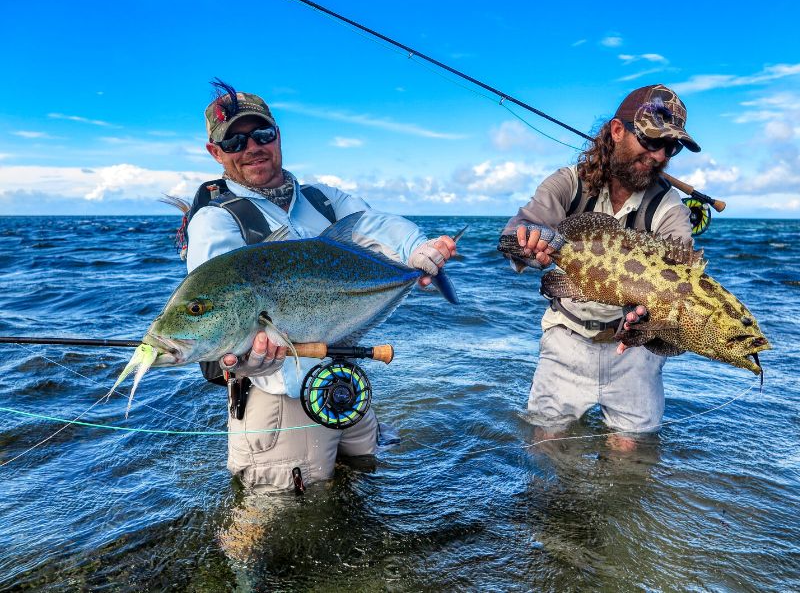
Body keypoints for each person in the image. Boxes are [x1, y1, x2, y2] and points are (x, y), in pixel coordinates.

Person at [187, 80, 456, 492]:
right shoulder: (217, 220)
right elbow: (217, 311)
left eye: (261, 134)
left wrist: (419, 249)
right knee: (282, 523)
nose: (252, 147)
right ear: (215, 152)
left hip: (343, 381)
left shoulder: (321, 200)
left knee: (366, 486)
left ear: (278, 136)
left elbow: (376, 224)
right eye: (235, 141)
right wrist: (241, 359)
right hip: (281, 401)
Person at [501, 84, 699, 446]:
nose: (658, 156)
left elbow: (680, 284)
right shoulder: (567, 184)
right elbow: (513, 234)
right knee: (545, 447)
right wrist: (528, 244)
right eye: (651, 141)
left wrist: (653, 316)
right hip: (566, 336)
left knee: (632, 456)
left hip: (633, 352)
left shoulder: (670, 210)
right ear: (617, 131)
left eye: (670, 147)